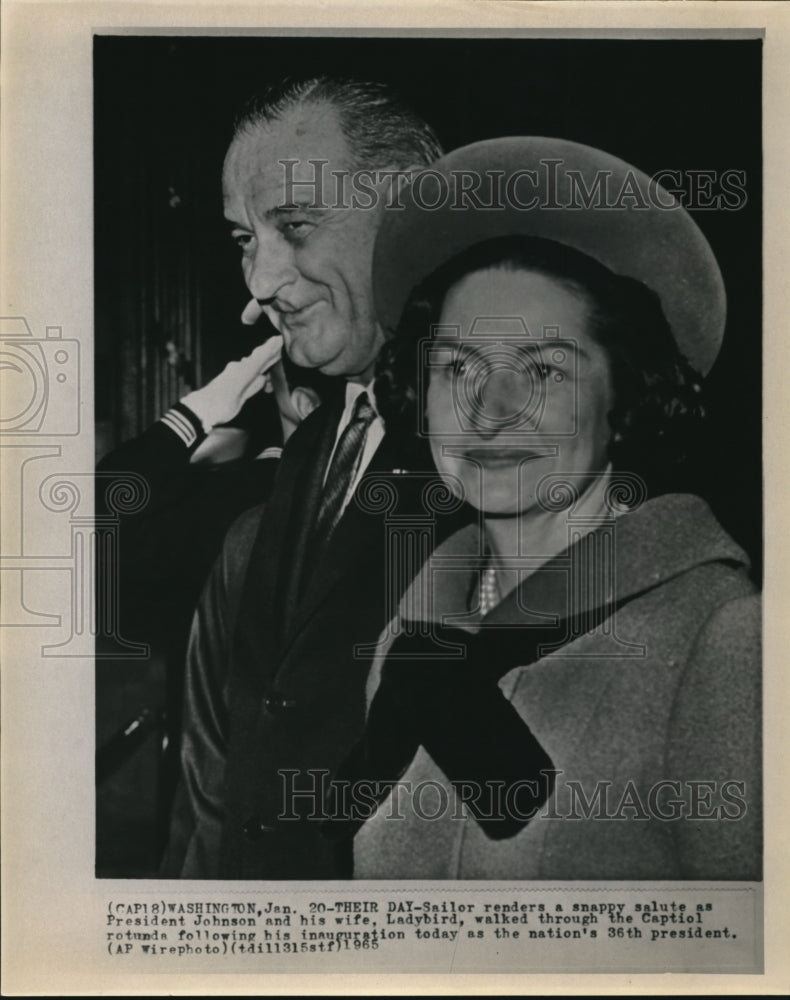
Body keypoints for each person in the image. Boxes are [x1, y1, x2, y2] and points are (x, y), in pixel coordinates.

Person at [326, 138, 761, 880]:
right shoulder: (414, 631)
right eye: (458, 367)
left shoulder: (724, 642)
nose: (490, 411)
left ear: (623, 399)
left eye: (545, 371)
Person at [164, 77, 461, 878]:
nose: (259, 285)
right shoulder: (307, 458)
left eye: (294, 227)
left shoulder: (507, 459)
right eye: (242, 241)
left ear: (412, 217)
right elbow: (215, 793)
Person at [95, 338, 329, 875]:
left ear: (304, 404)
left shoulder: (232, 500)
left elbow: (89, 523)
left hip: (215, 804)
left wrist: (196, 412)